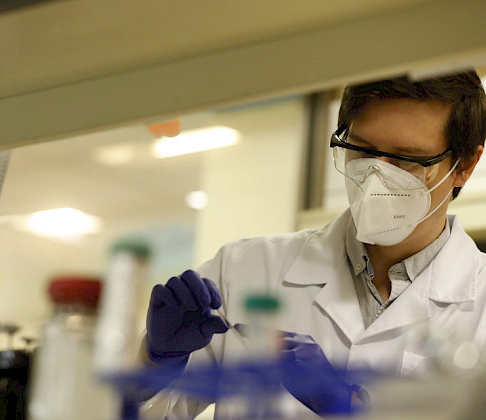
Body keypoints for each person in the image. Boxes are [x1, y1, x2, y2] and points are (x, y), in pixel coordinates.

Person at [140, 70, 486, 418]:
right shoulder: (244, 270)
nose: (375, 178)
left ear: (465, 166)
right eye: (361, 151)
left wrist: (350, 409)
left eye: (405, 159)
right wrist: (156, 363)